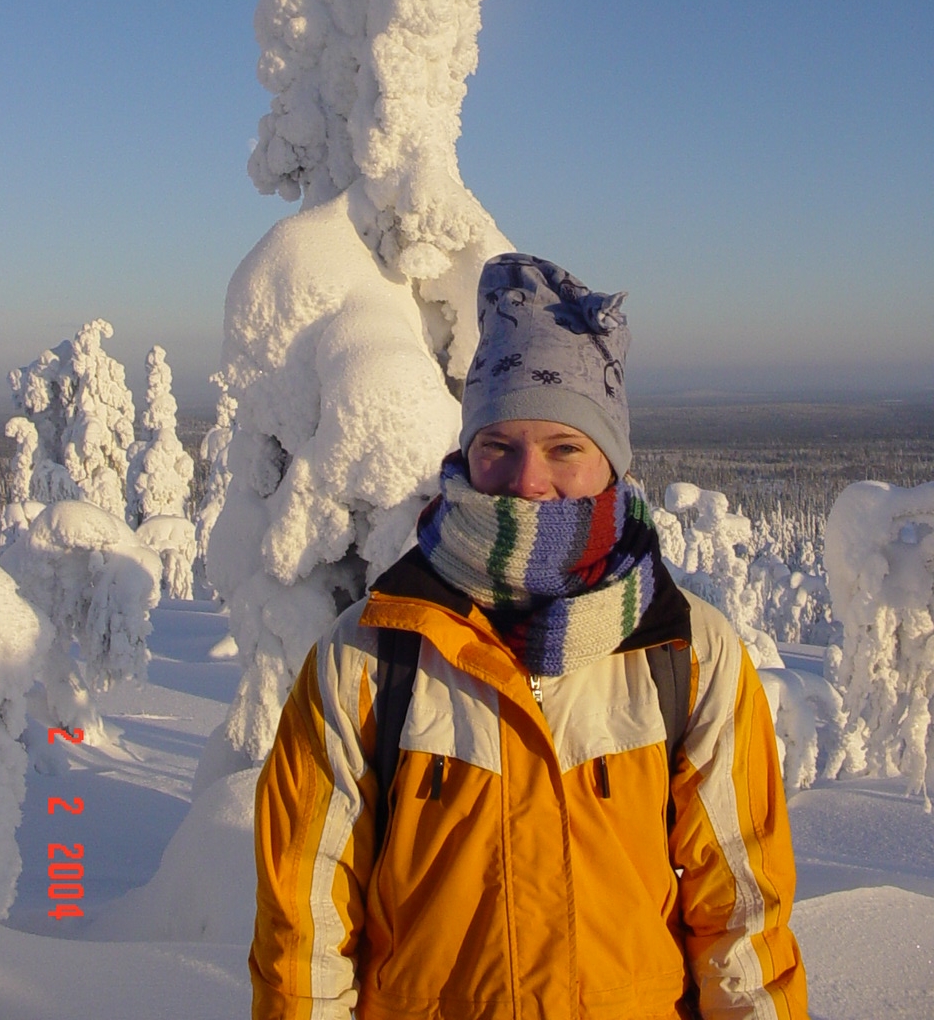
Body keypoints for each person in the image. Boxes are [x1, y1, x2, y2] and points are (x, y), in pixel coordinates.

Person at [250, 252, 809, 1020]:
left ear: (610, 463)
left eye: (565, 448)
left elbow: (743, 927)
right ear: (467, 455)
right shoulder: (371, 657)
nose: (527, 481)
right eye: (498, 446)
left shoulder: (684, 651)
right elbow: (303, 935)